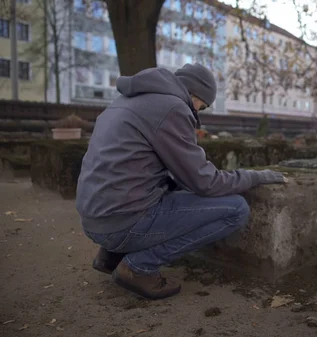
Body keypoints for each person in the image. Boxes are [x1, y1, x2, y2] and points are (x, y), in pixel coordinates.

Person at [75, 64, 287, 300]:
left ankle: (112, 255)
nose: (199, 113)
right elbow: (205, 182)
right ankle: (139, 267)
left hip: (94, 218)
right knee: (236, 209)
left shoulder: (126, 101)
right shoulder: (173, 107)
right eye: (202, 107)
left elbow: (142, 169)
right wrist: (255, 176)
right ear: (195, 94)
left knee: (167, 191)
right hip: (121, 223)